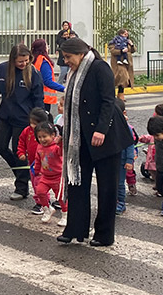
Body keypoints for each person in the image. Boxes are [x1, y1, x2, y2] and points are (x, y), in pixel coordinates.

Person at [56, 38, 132, 248]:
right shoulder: (73, 73)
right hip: (79, 137)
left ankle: (104, 234)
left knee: (107, 188)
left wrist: (101, 130)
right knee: (77, 182)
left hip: (105, 136)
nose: (66, 61)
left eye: (68, 57)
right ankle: (74, 229)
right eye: (64, 57)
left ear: (80, 54)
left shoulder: (100, 68)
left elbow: (109, 101)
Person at [0, 44, 44, 201]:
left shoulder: (33, 73)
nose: (23, 64)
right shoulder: (1, 70)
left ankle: (22, 187)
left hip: (24, 119)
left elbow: (38, 98)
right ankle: (21, 173)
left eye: (26, 60)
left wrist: (39, 121)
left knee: (19, 151)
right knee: (0, 145)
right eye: (20, 61)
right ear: (12, 60)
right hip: (6, 116)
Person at [32, 122, 67, 226]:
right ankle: (47, 209)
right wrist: (36, 170)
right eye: (39, 137)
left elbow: (61, 152)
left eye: (45, 136)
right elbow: (37, 159)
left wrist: (60, 143)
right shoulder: (39, 147)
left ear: (53, 135)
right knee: (40, 191)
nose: (42, 139)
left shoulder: (55, 147)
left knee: (60, 197)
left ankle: (65, 214)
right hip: (45, 176)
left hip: (58, 176)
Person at [18, 108, 50, 215]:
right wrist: (21, 153)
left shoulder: (46, 134)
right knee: (35, 183)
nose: (32, 126)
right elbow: (21, 142)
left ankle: (44, 202)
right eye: (31, 123)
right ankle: (40, 201)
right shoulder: (27, 131)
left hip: (43, 164)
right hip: (31, 163)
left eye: (34, 124)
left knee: (40, 184)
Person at [115, 100, 139, 215]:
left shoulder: (126, 127)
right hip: (112, 159)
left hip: (122, 159)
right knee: (112, 182)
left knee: (119, 183)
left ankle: (121, 203)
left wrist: (129, 160)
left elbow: (130, 144)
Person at [31, 38, 64, 111]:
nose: (48, 47)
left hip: (32, 96)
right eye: (47, 45)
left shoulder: (32, 60)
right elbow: (47, 81)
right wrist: (64, 89)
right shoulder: (44, 62)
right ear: (43, 48)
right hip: (43, 99)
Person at [109, 29, 136, 100]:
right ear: (120, 34)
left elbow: (133, 50)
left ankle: (120, 94)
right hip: (118, 63)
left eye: (127, 34)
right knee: (123, 78)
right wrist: (121, 51)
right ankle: (119, 95)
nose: (127, 35)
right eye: (125, 34)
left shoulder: (128, 41)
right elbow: (112, 51)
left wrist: (132, 44)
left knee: (123, 79)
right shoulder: (114, 41)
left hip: (127, 63)